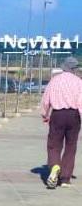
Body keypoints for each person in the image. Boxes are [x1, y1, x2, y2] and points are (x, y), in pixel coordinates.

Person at [41, 56, 82, 188]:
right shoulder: (79, 82)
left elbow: (46, 99)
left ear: (64, 67)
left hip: (57, 115)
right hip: (73, 115)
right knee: (71, 146)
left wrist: (45, 114)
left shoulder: (55, 81)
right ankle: (65, 178)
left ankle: (55, 166)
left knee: (54, 144)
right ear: (74, 69)